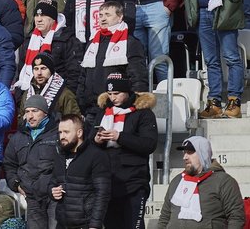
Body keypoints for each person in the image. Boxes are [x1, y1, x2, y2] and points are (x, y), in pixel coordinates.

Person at [91, 72, 158, 228]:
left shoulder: (143, 113)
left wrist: (120, 137)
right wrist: (97, 140)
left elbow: (149, 144)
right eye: (109, 94)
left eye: (117, 93)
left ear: (127, 92)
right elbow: (90, 141)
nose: (113, 98)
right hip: (108, 181)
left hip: (134, 182)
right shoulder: (103, 112)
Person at [157, 136, 247, 228]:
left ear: (202, 154)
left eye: (190, 152)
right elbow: (165, 217)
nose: (185, 157)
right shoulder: (177, 181)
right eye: (184, 153)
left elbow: (236, 217)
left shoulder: (223, 181)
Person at [78, 1, 149, 114]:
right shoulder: (92, 43)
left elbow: (138, 77)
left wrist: (132, 105)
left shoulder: (131, 43)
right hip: (91, 109)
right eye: (100, 15)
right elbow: (83, 76)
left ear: (120, 17)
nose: (103, 19)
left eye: (108, 15)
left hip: (117, 109)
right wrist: (81, 101)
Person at [3, 95, 59, 229]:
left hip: (54, 196)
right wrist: (16, 184)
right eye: (27, 111)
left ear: (45, 112)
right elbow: (9, 164)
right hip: (31, 196)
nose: (30, 116)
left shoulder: (57, 133)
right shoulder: (18, 137)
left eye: (34, 111)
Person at [51, 115, 111, 229]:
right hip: (62, 223)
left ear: (79, 133)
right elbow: (53, 183)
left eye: (66, 132)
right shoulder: (59, 155)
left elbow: (102, 193)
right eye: (60, 132)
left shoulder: (96, 155)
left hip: (86, 223)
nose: (62, 136)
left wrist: (95, 224)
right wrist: (52, 192)